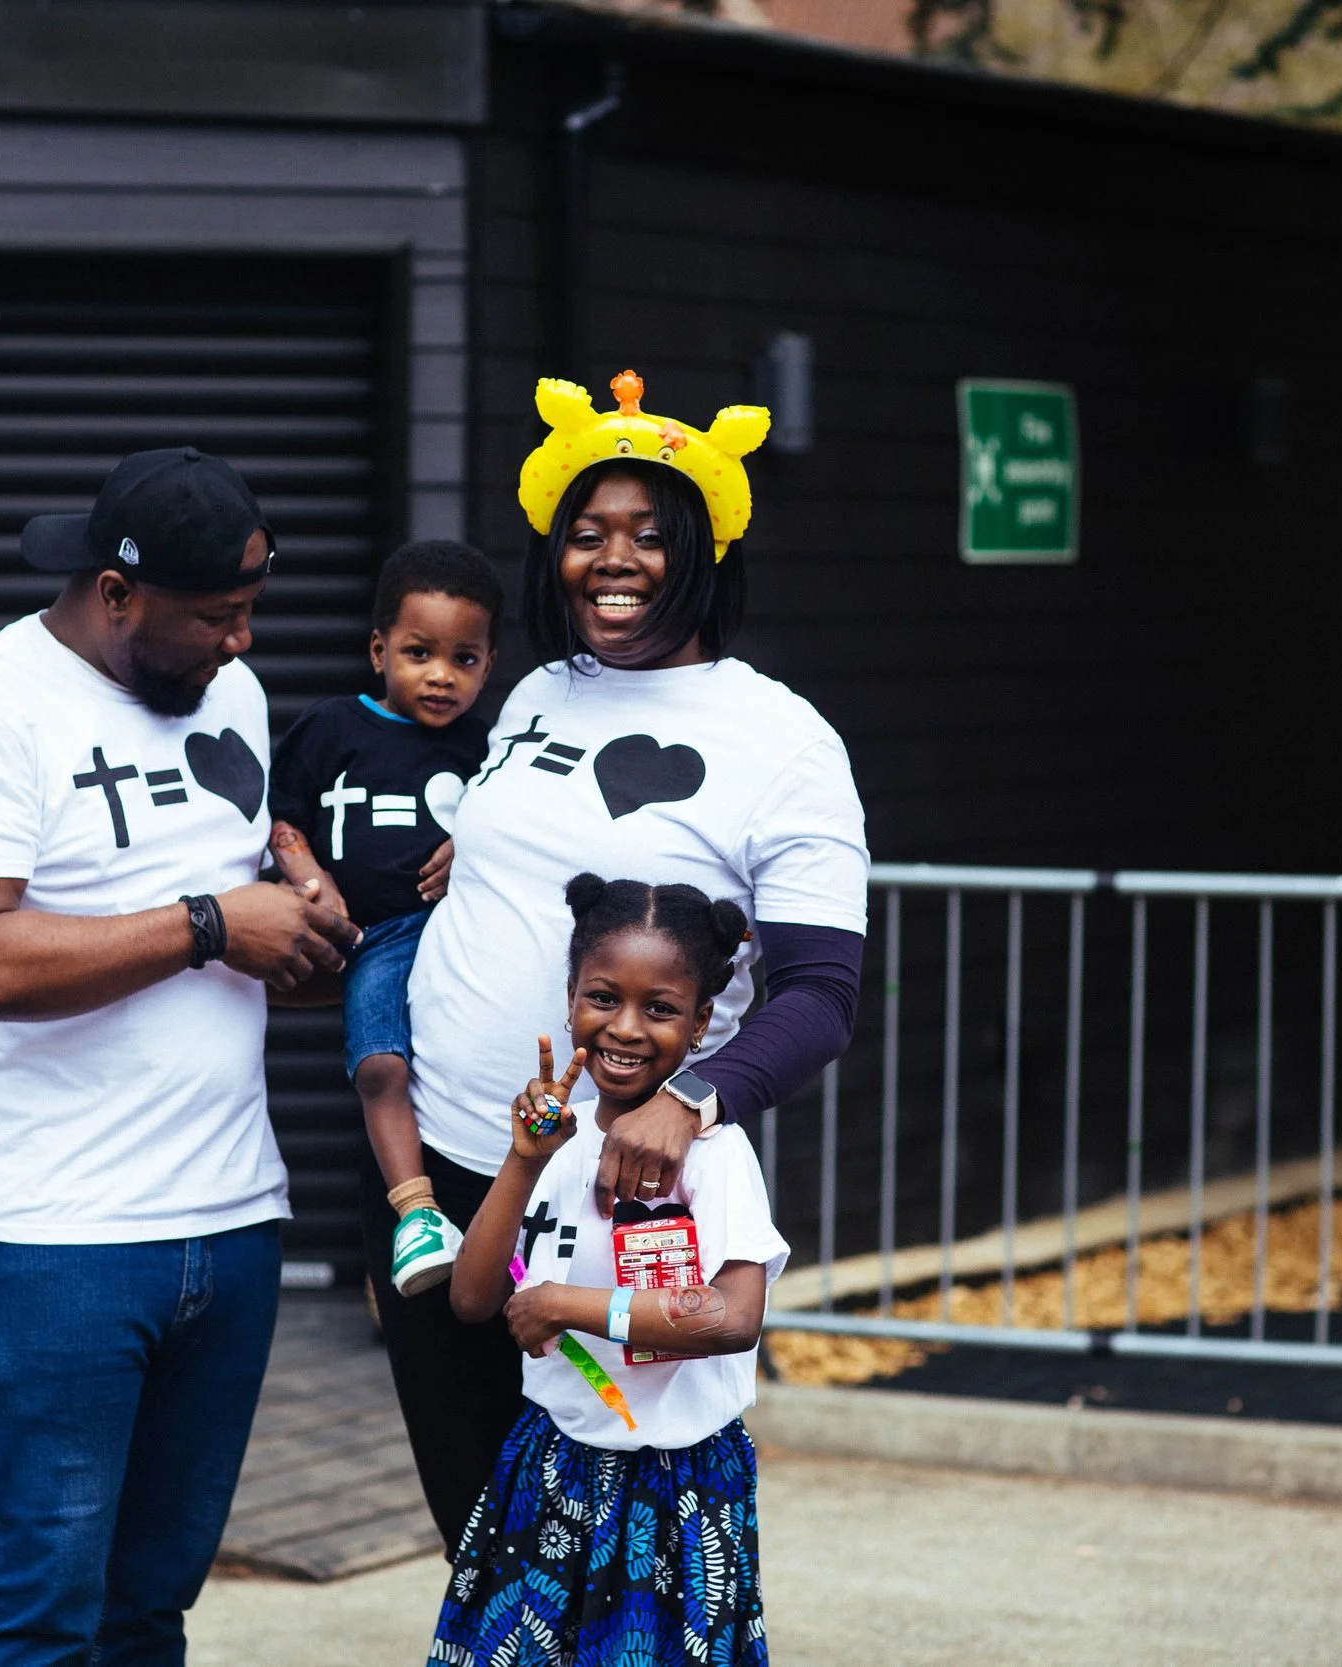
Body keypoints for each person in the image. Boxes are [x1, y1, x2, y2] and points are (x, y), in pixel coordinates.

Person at [0, 447, 361, 1666]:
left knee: (150, 1610)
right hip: (57, 1241)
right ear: (114, 593)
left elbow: (245, 936)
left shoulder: (229, 694)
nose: (241, 642)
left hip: (233, 1218)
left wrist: (308, 929)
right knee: (44, 1614)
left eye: (251, 609)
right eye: (215, 616)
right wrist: (211, 922)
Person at [384, 369, 868, 1548]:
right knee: (479, 1534)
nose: (614, 559)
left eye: (650, 534)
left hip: (620, 1200)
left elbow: (822, 992)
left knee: (615, 1542)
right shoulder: (535, 694)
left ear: (703, 550)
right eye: (587, 532)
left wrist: (691, 1101)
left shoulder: (782, 740)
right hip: (459, 1173)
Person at [434, 875, 787, 1667]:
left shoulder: (717, 1153)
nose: (625, 1027)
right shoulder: (555, 1144)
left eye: (659, 1007)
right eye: (602, 997)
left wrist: (568, 1303)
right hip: (552, 1464)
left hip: (678, 1484)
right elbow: (473, 1296)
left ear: (701, 1022)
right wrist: (524, 1160)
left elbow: (734, 1317)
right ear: (570, 999)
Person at [264, 540, 501, 1296]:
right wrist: (312, 882)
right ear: (379, 651)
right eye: (419, 653)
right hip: (380, 939)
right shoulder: (332, 727)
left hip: (464, 935)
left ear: (489, 665)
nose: (441, 675)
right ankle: (417, 1214)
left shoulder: (488, 747)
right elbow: (282, 819)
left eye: (465, 659)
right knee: (381, 1066)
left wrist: (473, 842)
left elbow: (518, 823)